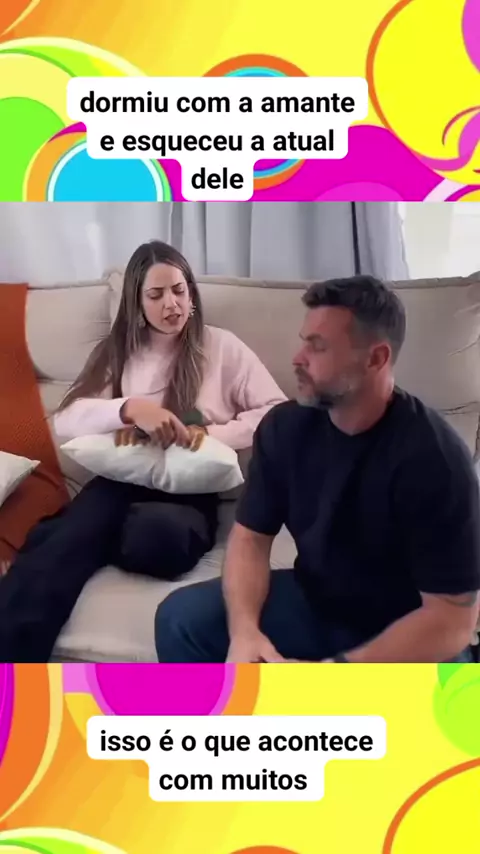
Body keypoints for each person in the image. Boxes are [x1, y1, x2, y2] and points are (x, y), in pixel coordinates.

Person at [155, 275, 480, 664]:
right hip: (316, 603)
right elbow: (250, 539)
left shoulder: (436, 460)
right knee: (180, 620)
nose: (298, 358)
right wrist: (244, 632)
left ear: (376, 359)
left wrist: (337, 673)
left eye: (318, 346)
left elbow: (451, 620)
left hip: (408, 627)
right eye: (303, 341)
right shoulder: (284, 428)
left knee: (453, 697)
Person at [0, 240, 286, 663]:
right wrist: (129, 409)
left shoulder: (222, 346)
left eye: (179, 291)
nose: (171, 304)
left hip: (188, 488)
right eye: (156, 295)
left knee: (156, 541)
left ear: (191, 294)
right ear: (137, 303)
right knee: (64, 550)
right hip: (119, 481)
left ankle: (65, 535)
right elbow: (68, 419)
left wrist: (209, 435)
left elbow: (277, 411)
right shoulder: (119, 352)